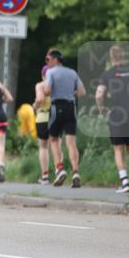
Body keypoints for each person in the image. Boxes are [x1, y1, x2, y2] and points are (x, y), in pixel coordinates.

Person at [95, 44, 129, 193]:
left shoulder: (107, 74)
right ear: (123, 57)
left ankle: (125, 183)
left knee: (118, 148)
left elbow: (99, 94)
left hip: (116, 114)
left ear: (111, 58)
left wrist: (101, 108)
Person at [43, 49, 86, 188]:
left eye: (48, 60)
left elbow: (47, 91)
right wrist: (70, 93)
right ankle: (76, 172)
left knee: (54, 139)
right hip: (71, 107)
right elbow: (82, 92)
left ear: (55, 60)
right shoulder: (72, 72)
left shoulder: (51, 72)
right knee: (71, 142)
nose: (47, 63)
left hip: (57, 107)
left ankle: (60, 169)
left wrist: (47, 89)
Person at [33, 65, 52, 185]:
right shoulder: (57, 86)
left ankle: (45, 176)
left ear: (43, 75)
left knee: (43, 147)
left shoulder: (40, 85)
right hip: (57, 117)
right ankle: (59, 171)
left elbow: (39, 99)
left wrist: (34, 106)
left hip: (43, 117)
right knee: (56, 145)